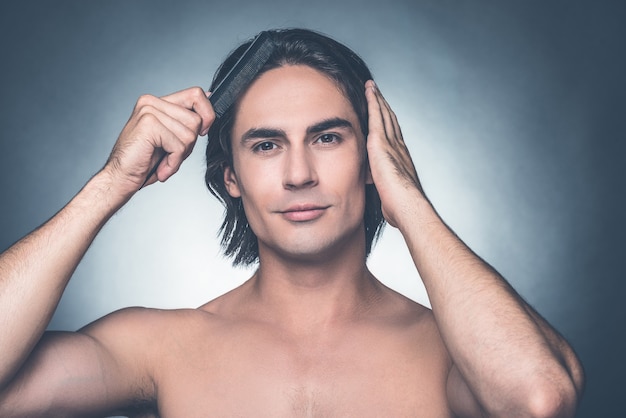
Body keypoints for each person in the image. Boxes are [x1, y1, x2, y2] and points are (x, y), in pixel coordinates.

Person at [0, 28, 584, 417]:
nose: (299, 173)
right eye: (266, 145)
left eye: (328, 138)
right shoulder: (164, 347)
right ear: (231, 177)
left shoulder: (450, 354)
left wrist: (406, 198)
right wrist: (111, 184)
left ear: (372, 157)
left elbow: (538, 397)